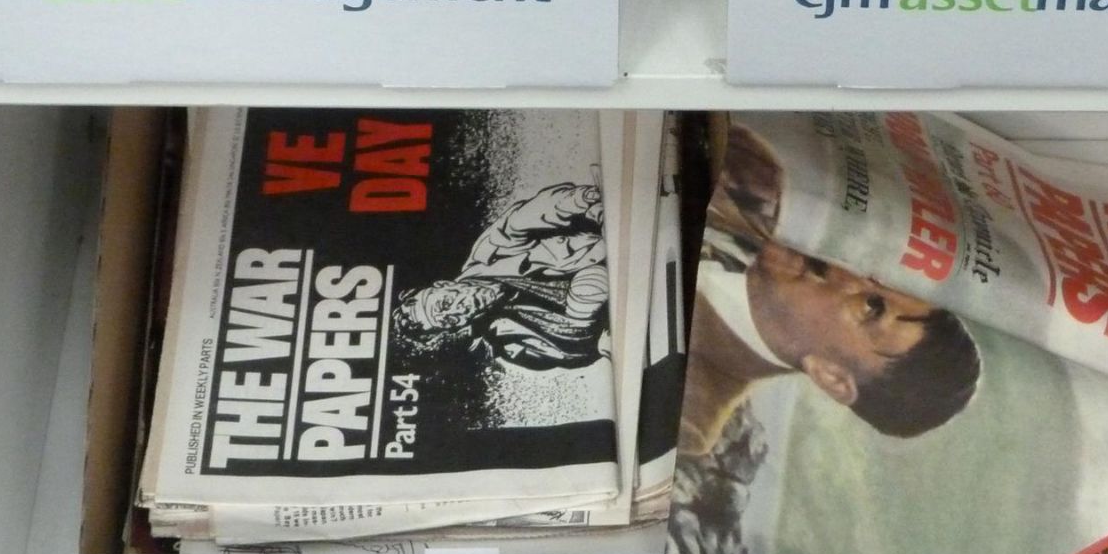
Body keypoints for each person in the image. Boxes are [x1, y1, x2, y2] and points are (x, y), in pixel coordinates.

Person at [678, 121, 981, 456]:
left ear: (831, 376)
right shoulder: (759, 175)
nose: (849, 273)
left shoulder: (688, 415)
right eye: (882, 279)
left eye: (871, 306)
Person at [394, 179, 610, 370]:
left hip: (607, 246)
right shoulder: (509, 343)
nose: (458, 310)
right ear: (457, 327)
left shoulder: (491, 256)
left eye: (444, 304)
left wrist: (576, 200)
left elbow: (522, 218)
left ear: (444, 284)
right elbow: (573, 354)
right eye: (450, 320)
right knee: (588, 289)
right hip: (608, 316)